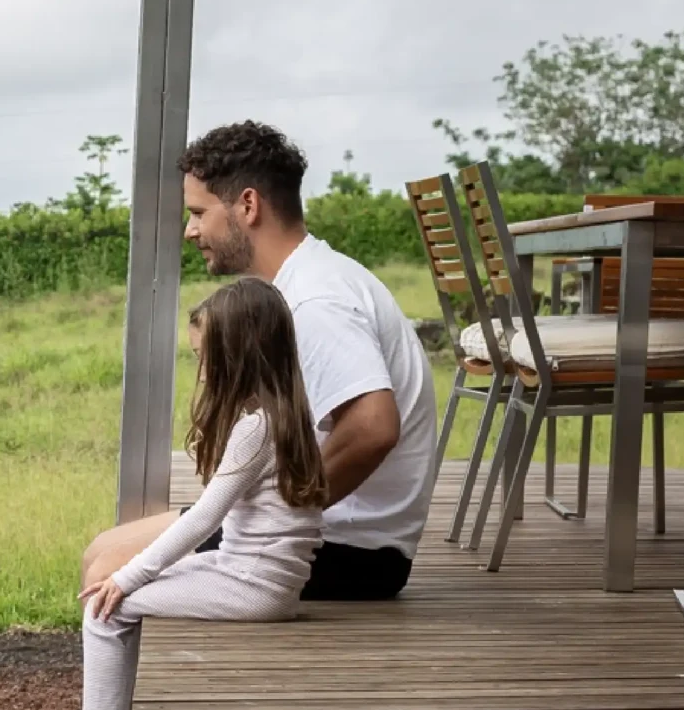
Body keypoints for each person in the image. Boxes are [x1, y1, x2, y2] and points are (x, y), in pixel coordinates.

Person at [14, 278, 328, 710]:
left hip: (252, 585)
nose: (202, 370)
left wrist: (128, 580)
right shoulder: (285, 413)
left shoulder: (255, 426)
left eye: (205, 357)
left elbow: (204, 517)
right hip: (254, 574)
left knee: (106, 610)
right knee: (117, 590)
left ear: (238, 353)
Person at [83, 121, 437, 602]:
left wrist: (284, 516)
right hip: (328, 533)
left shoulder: (316, 300)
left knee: (111, 564)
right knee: (102, 549)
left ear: (247, 205)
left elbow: (374, 427)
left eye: (198, 213)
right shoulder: (305, 281)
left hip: (352, 549)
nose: (190, 231)